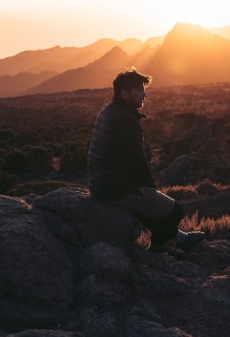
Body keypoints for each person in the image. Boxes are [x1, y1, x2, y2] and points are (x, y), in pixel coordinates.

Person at [87, 68, 205, 253]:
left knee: (148, 208)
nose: (144, 95)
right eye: (139, 90)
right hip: (114, 187)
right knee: (175, 211)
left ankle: (180, 239)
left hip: (102, 183)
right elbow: (137, 159)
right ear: (124, 93)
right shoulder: (124, 119)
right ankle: (157, 249)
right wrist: (148, 188)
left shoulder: (110, 111)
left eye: (143, 89)